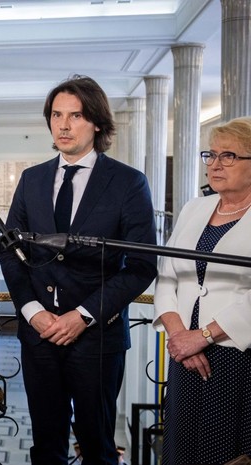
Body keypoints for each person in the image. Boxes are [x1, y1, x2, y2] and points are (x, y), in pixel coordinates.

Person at [0, 75, 157, 464]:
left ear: (97, 123)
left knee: (97, 447)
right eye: (57, 115)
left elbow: (141, 266)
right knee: (46, 447)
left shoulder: (128, 182)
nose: (64, 125)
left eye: (76, 116)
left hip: (97, 337)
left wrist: (83, 315)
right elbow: (10, 251)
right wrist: (32, 312)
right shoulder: (32, 179)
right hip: (39, 335)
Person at [153, 116, 251, 464]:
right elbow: (166, 274)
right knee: (180, 449)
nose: (215, 164)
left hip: (236, 356)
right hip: (185, 354)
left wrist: (204, 336)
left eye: (229, 156)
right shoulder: (194, 208)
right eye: (211, 155)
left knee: (223, 451)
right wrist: (180, 336)